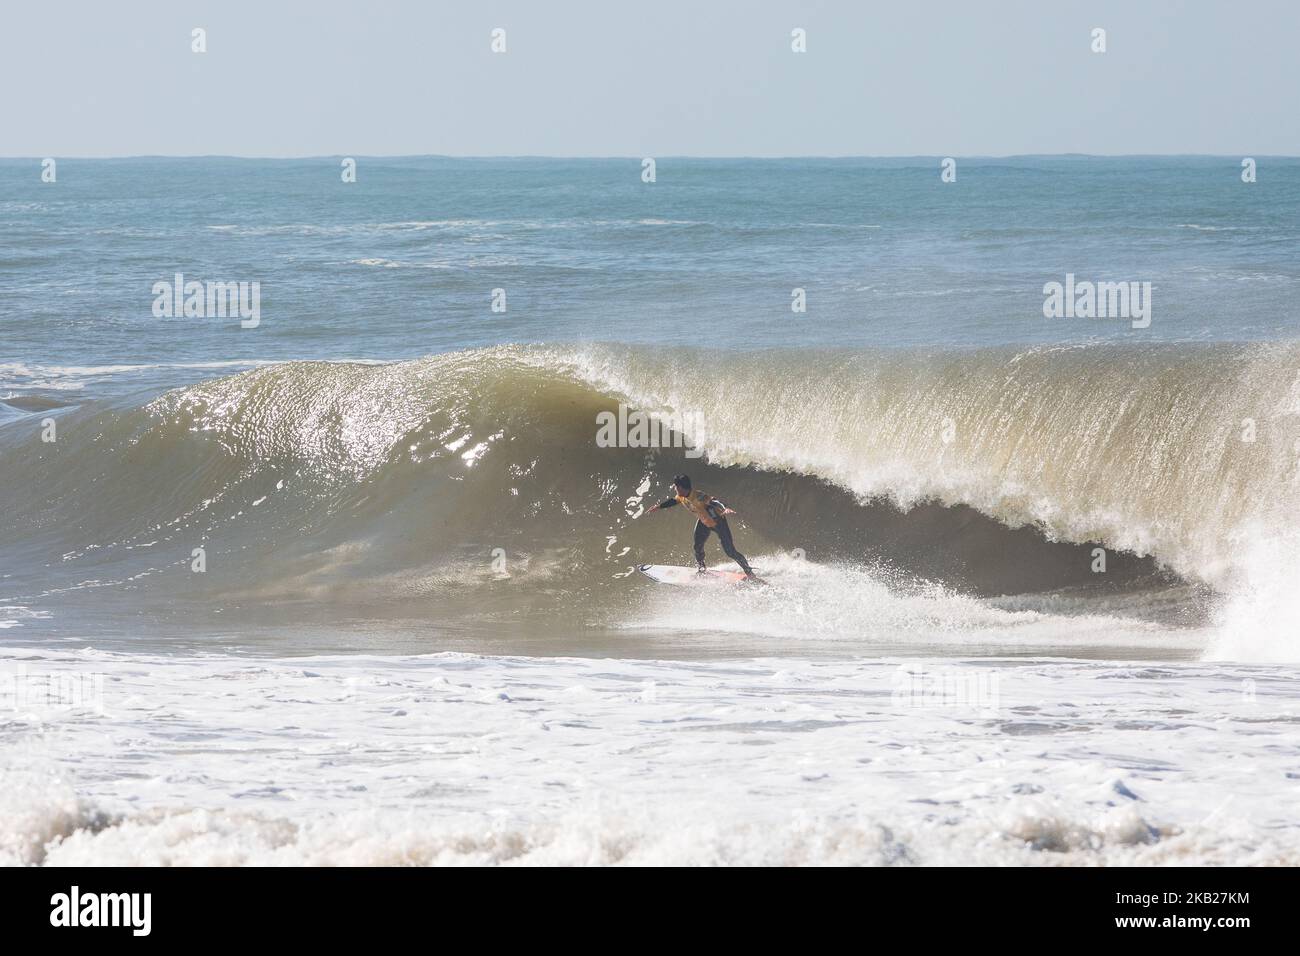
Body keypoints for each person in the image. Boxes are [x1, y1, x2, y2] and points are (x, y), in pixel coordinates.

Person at [646, 474, 757, 579]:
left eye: (675, 486)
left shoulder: (698, 496)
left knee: (730, 552)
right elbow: (673, 501)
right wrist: (659, 506)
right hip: (703, 522)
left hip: (718, 523)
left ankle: (749, 573)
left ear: (680, 487)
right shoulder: (681, 496)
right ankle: (702, 569)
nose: (674, 488)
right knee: (697, 547)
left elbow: (714, 501)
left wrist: (724, 508)